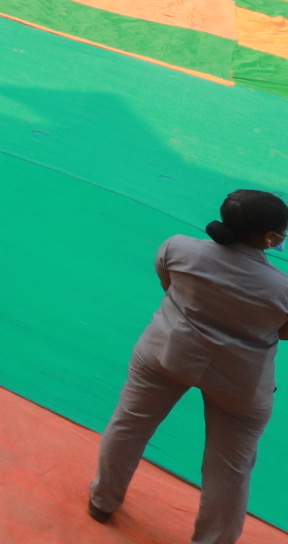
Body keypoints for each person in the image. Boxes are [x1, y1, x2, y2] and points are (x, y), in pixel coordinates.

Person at [91, 189, 288, 541]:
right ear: (268, 238)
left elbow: (169, 284)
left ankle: (102, 500)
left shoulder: (179, 248)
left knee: (129, 426)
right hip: (242, 383)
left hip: (166, 353)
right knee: (230, 470)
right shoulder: (282, 288)